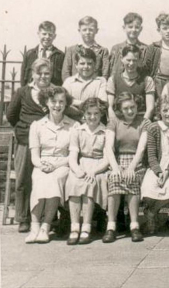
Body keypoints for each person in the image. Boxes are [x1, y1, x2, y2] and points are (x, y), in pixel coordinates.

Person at [25, 86, 79, 243]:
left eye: (61, 101)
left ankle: (45, 227)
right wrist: (42, 166)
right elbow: (34, 156)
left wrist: (55, 166)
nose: (57, 105)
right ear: (46, 103)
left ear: (66, 104)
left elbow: (72, 155)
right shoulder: (37, 125)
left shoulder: (73, 126)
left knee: (54, 179)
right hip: (42, 163)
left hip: (63, 164)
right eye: (53, 101)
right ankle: (34, 227)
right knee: (39, 179)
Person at [7, 58, 52, 233]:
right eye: (39, 73)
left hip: (49, 143)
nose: (43, 76)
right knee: (23, 179)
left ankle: (46, 217)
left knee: (47, 178)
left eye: (47, 73)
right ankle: (23, 218)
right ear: (32, 74)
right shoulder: (23, 92)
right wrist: (24, 129)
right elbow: (11, 114)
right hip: (25, 141)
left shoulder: (54, 91)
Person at [103, 92, 151, 243]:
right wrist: (115, 168)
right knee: (115, 179)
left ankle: (134, 226)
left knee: (132, 178)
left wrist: (131, 168)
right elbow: (108, 147)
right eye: (126, 108)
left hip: (136, 162)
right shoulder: (114, 122)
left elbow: (141, 149)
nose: (130, 111)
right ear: (120, 109)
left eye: (133, 107)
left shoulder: (144, 123)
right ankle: (111, 227)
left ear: (137, 106)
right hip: (117, 160)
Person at [65, 98, 109, 245]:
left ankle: (86, 227)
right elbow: (72, 156)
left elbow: (107, 159)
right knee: (74, 182)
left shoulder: (105, 132)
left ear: (101, 114)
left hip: (99, 166)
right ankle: (75, 226)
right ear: (84, 114)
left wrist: (94, 171)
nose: (92, 117)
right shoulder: (77, 131)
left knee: (90, 184)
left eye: (96, 113)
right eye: (89, 113)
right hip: (81, 164)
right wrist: (77, 170)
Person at [141, 95, 169, 236]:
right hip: (157, 166)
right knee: (149, 185)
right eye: (165, 110)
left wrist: (168, 172)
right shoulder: (153, 128)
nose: (168, 113)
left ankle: (152, 212)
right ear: (159, 111)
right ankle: (152, 218)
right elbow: (151, 156)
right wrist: (159, 172)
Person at [106, 44, 156, 121]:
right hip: (120, 121)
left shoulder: (147, 80)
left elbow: (150, 108)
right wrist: (117, 126)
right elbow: (110, 107)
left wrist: (142, 125)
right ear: (122, 59)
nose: (131, 63)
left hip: (140, 121)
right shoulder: (113, 80)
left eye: (135, 60)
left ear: (140, 60)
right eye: (128, 60)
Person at [62, 47, 107, 120]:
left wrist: (76, 103)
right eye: (82, 63)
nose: (86, 67)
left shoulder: (101, 81)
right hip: (71, 123)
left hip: (93, 122)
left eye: (89, 63)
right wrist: (88, 106)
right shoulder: (68, 82)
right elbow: (64, 104)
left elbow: (102, 105)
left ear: (95, 65)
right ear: (76, 65)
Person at [21, 21, 65, 86]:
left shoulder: (60, 55)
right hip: (32, 92)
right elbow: (23, 78)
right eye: (44, 34)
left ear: (54, 36)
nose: (47, 37)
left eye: (50, 34)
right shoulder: (29, 54)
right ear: (38, 34)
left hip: (52, 92)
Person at [107, 12, 149, 78]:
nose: (133, 30)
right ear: (124, 28)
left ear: (141, 29)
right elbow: (111, 71)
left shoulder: (146, 49)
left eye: (137, 27)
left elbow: (148, 72)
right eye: (130, 27)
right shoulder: (116, 49)